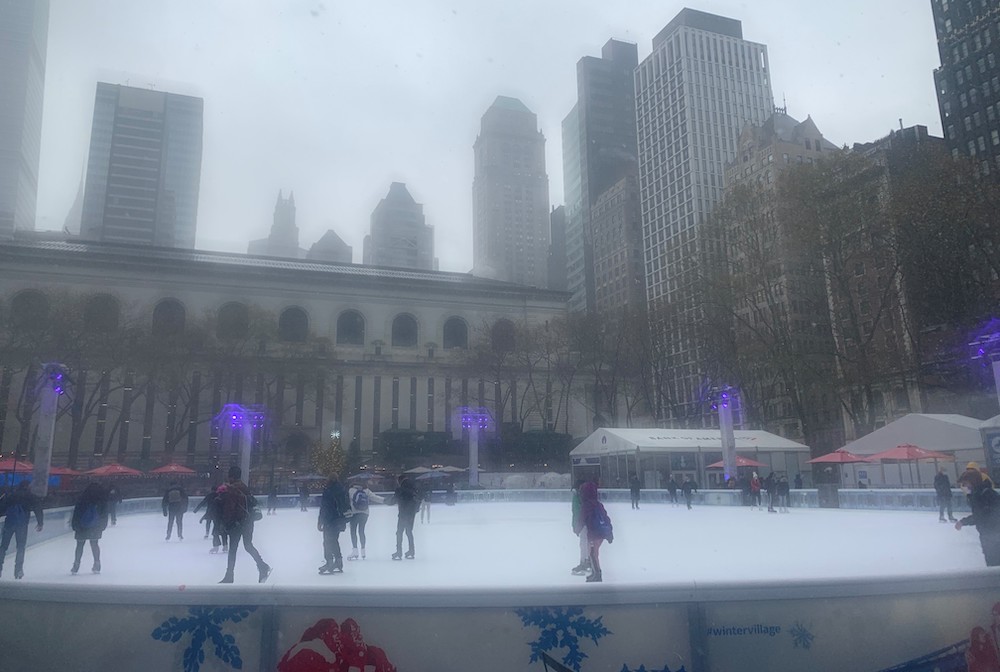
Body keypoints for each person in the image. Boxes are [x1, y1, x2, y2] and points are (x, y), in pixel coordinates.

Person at [218, 466, 271, 584]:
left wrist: (225, 523)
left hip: (236, 523)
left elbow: (230, 508)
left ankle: (229, 575)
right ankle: (262, 566)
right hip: (247, 522)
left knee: (233, 549)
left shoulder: (231, 489)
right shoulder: (244, 488)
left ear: (230, 476)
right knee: (248, 545)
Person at [955, 468, 1000, 567]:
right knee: (992, 564)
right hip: (987, 535)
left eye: (965, 483)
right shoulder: (977, 495)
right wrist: (963, 522)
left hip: (993, 536)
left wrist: (964, 522)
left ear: (972, 482)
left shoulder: (985, 495)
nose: (964, 487)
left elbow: (982, 515)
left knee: (994, 565)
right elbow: (980, 515)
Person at [0, 481, 43, 579]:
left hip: (9, 523)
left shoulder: (11, 495)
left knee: (3, 547)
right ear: (27, 486)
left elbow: (2, 508)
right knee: (20, 547)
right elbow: (37, 508)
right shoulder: (30, 496)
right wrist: (40, 522)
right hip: (22, 525)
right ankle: (18, 570)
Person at [71, 482, 109, 575]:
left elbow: (76, 513)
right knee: (94, 544)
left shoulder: (82, 499)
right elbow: (104, 514)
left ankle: (76, 565)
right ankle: (97, 564)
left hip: (82, 527)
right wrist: (102, 526)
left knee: (80, 545)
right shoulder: (101, 500)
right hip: (95, 527)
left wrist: (75, 525)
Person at [318, 474, 351, 574]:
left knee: (327, 541)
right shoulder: (342, 490)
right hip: (340, 520)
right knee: (334, 541)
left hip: (330, 520)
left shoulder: (328, 491)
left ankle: (329, 562)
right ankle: (338, 562)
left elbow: (325, 507)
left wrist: (320, 521)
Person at [580, 481, 612, 583]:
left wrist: (577, 528)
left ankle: (597, 574)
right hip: (601, 532)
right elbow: (606, 518)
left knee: (592, 553)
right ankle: (595, 573)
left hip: (593, 532)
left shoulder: (586, 505)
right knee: (594, 553)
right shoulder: (598, 504)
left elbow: (581, 519)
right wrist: (610, 532)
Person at [346, 479, 385, 561]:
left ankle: (355, 551)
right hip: (365, 513)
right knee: (361, 531)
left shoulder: (350, 490)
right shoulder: (366, 490)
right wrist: (385, 500)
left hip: (354, 513)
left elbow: (346, 501)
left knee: (353, 531)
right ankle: (363, 551)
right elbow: (374, 497)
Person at [392, 475, 419, 560]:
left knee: (399, 532)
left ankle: (399, 552)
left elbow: (393, 500)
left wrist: (384, 501)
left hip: (403, 514)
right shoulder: (413, 488)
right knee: (409, 532)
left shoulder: (399, 489)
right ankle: (411, 551)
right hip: (411, 514)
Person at [193, 485, 227, 553]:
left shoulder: (214, 498)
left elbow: (204, 503)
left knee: (215, 531)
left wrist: (197, 511)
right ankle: (225, 546)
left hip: (215, 515)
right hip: (223, 517)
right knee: (223, 531)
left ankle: (216, 545)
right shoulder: (227, 498)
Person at [570, 480, 590, 575]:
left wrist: (576, 524)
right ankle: (587, 561)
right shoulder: (581, 497)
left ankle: (585, 562)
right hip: (584, 522)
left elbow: (577, 512)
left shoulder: (579, 497)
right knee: (586, 542)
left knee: (584, 543)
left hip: (583, 523)